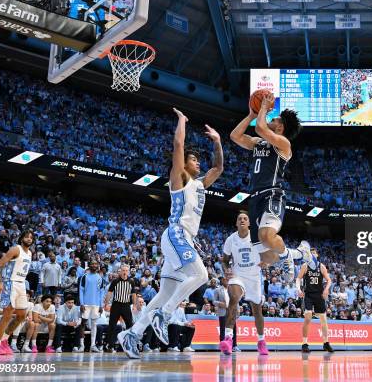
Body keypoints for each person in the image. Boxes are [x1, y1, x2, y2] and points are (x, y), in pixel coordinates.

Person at [117, 108, 223, 359]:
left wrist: (218, 141)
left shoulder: (200, 184)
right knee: (200, 274)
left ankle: (132, 334)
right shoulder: (179, 178)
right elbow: (178, 143)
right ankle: (164, 314)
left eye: (199, 159)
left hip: (185, 239)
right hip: (176, 234)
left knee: (164, 293)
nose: (198, 162)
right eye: (194, 159)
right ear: (184, 163)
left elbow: (218, 168)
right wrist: (182, 121)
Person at [230, 93, 302, 277]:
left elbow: (261, 129)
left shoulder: (284, 144)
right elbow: (235, 136)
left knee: (267, 236)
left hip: (272, 194)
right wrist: (251, 116)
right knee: (266, 256)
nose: (271, 117)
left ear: (280, 127)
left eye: (275, 118)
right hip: (255, 198)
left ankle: (286, 256)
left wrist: (263, 107)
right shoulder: (258, 143)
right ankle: (298, 254)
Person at [220, 212, 268, 355]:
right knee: (234, 298)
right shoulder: (231, 239)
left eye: (245, 218)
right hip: (237, 275)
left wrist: (265, 261)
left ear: (249, 223)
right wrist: (226, 270)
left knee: (257, 311)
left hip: (254, 276)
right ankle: (228, 338)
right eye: (239, 218)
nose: (242, 220)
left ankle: (261, 341)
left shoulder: (256, 237)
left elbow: (267, 255)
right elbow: (224, 260)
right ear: (236, 223)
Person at [0, 229, 33, 355]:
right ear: (21, 238)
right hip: (10, 282)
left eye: (31, 237)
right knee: (7, 314)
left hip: (21, 284)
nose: (29, 239)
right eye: (27, 236)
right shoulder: (16, 249)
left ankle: (4, 340)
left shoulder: (30, 253)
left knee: (21, 315)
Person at [296, 243, 334, 353]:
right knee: (308, 317)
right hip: (308, 295)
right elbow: (298, 278)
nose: (312, 254)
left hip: (319, 295)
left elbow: (329, 280)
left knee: (323, 319)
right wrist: (298, 289)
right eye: (310, 253)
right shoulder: (305, 266)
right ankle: (304, 343)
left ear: (317, 255)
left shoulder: (321, 266)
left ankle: (326, 343)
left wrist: (326, 289)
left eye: (314, 253)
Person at [104, 265, 137, 352]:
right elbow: (109, 293)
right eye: (123, 270)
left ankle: (130, 344)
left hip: (126, 305)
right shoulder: (115, 281)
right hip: (116, 305)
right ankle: (110, 345)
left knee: (130, 325)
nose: (125, 272)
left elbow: (133, 294)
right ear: (120, 271)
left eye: (126, 270)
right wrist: (106, 304)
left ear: (128, 271)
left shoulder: (131, 281)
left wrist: (134, 305)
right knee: (112, 325)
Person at [79, 260, 105, 352]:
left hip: (96, 304)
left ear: (98, 266)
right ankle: (81, 345)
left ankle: (93, 345)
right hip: (85, 303)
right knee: (83, 323)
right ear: (89, 265)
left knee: (94, 324)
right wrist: (81, 303)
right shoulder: (84, 277)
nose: (94, 265)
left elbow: (102, 292)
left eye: (96, 264)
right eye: (92, 264)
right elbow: (81, 290)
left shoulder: (100, 278)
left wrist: (101, 305)